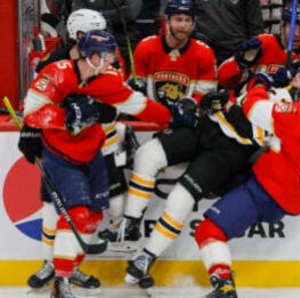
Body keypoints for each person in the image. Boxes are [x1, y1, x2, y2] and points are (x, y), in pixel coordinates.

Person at [21, 30, 184, 298]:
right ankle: (61, 284)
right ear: (91, 55)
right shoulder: (56, 72)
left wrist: (171, 116)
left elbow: (137, 104)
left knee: (92, 218)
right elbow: (31, 112)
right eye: (108, 55)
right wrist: (70, 114)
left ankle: (68, 269)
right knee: (77, 214)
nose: (112, 60)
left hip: (93, 152)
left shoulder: (109, 79)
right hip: (60, 154)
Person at [194, 65, 300, 298]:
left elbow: (253, 107)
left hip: (266, 193)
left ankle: (224, 287)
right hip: (295, 196)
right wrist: (299, 81)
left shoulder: (297, 118)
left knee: (207, 230)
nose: (298, 98)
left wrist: (261, 83)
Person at [97, 0, 218, 245]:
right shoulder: (146, 48)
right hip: (151, 122)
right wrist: (136, 91)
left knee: (146, 160)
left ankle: (129, 223)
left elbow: (203, 98)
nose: (183, 25)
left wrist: (186, 107)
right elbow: (135, 92)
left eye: (187, 20)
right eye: (178, 19)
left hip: (185, 128)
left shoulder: (203, 52)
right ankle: (120, 220)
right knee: (113, 147)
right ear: (167, 21)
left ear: (193, 23)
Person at [19, 9, 116, 291]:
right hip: (59, 150)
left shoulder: (106, 61)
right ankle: (54, 265)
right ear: (78, 35)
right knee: (54, 209)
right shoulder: (55, 61)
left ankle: (68, 268)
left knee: (88, 213)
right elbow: (36, 101)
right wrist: (30, 133)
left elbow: (110, 106)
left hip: (97, 147)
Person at [218, 2, 300, 90]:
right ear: (282, 27)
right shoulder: (262, 43)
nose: (297, 33)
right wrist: (241, 62)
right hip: (255, 106)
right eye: (292, 28)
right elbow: (223, 79)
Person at [193, 0, 264, 65]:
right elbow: (186, 16)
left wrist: (253, 56)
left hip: (236, 55)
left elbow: (256, 26)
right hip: (203, 53)